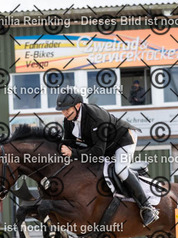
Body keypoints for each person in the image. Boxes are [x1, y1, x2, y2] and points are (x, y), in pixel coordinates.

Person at [55, 88, 159, 226]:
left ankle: (147, 208)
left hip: (123, 140)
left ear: (78, 105)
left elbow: (98, 152)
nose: (64, 113)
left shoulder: (95, 117)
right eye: (62, 110)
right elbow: (69, 142)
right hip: (105, 146)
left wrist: (73, 153)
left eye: (67, 110)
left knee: (120, 169)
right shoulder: (68, 120)